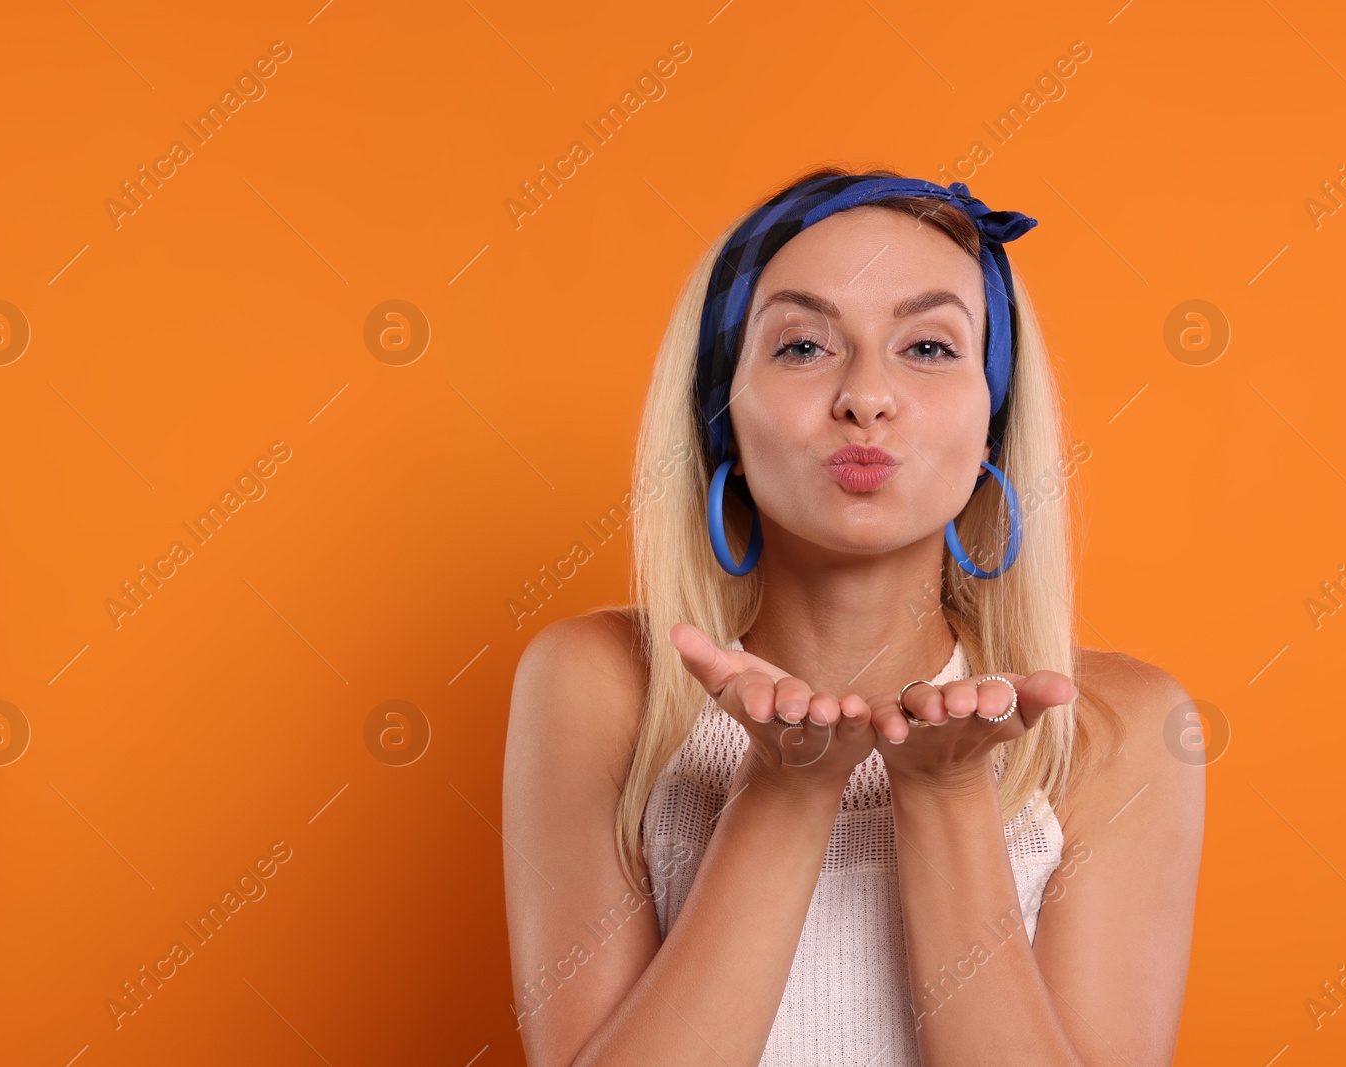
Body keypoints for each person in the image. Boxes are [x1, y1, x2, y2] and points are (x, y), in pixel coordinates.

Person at [503, 164, 1204, 1066]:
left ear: (993, 419)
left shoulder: (1120, 726)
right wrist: (786, 792)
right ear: (723, 415)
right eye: (802, 346)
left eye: (928, 348)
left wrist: (947, 795)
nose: (866, 397)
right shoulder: (600, 684)